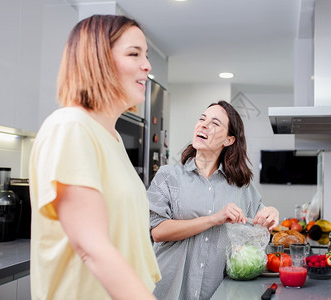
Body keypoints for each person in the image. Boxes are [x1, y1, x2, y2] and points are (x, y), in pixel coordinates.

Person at [29, 15, 161, 300]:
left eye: (146, 55)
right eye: (133, 53)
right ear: (97, 59)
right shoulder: (71, 126)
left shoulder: (111, 138)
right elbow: (93, 248)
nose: (147, 65)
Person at [148, 100, 279, 299]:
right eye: (202, 119)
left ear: (229, 140)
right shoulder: (168, 176)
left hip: (218, 293)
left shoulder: (241, 185)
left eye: (215, 123)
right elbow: (157, 231)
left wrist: (272, 212)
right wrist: (213, 219)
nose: (203, 125)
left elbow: (260, 221)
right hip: (167, 290)